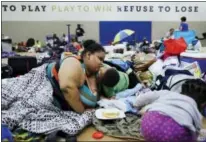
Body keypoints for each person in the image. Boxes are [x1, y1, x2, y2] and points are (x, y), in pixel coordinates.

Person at [134, 79, 206, 142]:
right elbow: (196, 131)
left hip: (148, 126)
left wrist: (136, 104)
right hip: (174, 136)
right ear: (203, 104)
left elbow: (145, 98)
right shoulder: (196, 111)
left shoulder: (168, 93)